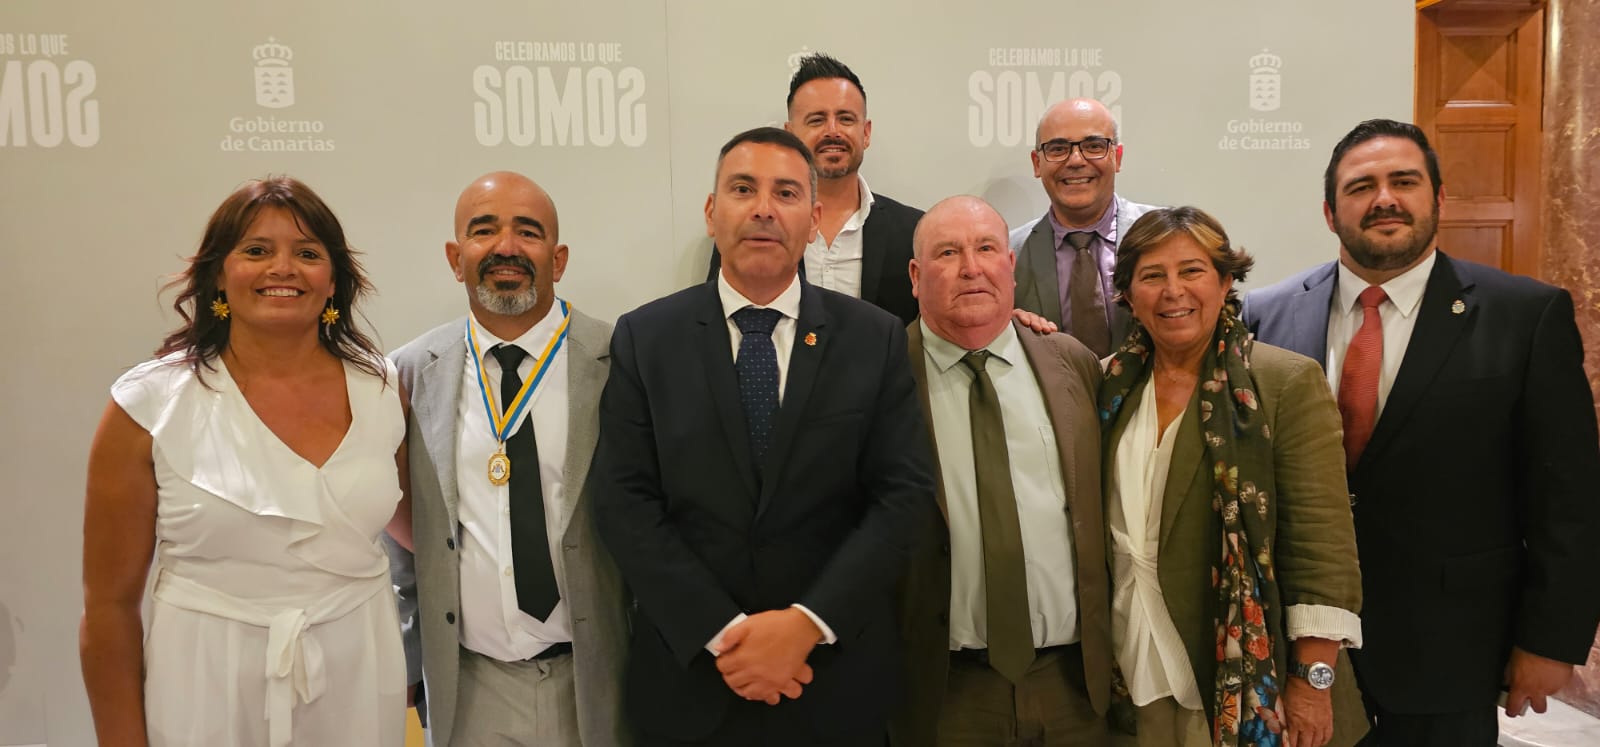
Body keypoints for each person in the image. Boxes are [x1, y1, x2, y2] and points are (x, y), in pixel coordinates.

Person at [1242, 119, 1600, 746]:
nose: (1384, 198)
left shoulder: (1525, 315)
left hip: (1451, 650)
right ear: (1331, 212)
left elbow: (1568, 498)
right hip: (1299, 644)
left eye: (1403, 181)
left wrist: (1548, 640)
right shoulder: (1265, 314)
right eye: (1361, 187)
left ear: (1439, 197)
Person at [594, 126, 936, 745]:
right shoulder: (646, 339)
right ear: (710, 211)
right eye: (742, 188)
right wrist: (726, 634)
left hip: (832, 681)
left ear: (812, 218)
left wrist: (806, 624)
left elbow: (903, 498)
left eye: (785, 193)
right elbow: (624, 503)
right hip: (691, 683)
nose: (762, 208)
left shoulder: (875, 338)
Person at [80, 176, 408, 746]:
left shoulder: (384, 388)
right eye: (256, 251)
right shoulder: (148, 403)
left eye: (307, 253)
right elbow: (108, 608)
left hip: (358, 674)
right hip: (204, 685)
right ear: (217, 275)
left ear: (333, 281)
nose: (282, 268)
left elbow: (421, 536)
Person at [1100, 206, 1366, 747]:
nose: (1173, 291)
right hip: (1131, 663)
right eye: (1152, 276)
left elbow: (1323, 549)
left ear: (1225, 281)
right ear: (1127, 294)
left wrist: (1313, 684)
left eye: (1192, 270)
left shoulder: (1284, 382)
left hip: (1249, 682)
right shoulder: (1108, 383)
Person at [385, 171, 629, 746]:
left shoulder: (619, 360)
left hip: (596, 679)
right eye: (484, 230)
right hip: (470, 686)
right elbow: (402, 539)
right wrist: (412, 664)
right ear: (455, 255)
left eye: (529, 231)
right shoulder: (410, 372)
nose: (506, 247)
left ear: (559, 257)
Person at [892, 196, 1110, 746]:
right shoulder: (880, 373)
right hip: (946, 693)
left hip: (1073, 687)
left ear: (1009, 266)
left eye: (987, 248)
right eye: (948, 252)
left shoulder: (1071, 362)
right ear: (916, 276)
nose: (971, 267)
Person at [708, 53, 923, 324]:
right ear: (790, 134)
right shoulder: (755, 227)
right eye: (816, 120)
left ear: (865, 133)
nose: (832, 131)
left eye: (845, 119)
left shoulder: (913, 231)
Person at [1011, 98, 1159, 357]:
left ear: (1118, 157)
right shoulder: (1008, 255)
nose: (1076, 160)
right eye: (1058, 148)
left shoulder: (1166, 237)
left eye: (1094, 146)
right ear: (1037, 163)